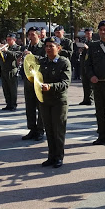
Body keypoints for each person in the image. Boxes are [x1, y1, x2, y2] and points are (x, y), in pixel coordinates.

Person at [39, 37, 72, 168]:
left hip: (59, 101)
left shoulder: (64, 62)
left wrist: (51, 86)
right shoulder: (42, 62)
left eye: (51, 46)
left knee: (58, 130)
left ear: (58, 48)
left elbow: (65, 83)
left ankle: (58, 157)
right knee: (49, 129)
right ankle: (51, 156)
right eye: (46, 46)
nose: (48, 48)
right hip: (45, 100)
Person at [22, 27, 45, 141]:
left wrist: (32, 56)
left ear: (39, 36)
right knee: (29, 107)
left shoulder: (44, 47)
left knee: (40, 107)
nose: (31, 37)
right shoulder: (26, 47)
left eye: (33, 35)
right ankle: (32, 129)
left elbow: (45, 60)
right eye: (29, 35)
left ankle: (40, 130)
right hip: (29, 80)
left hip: (39, 80)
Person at [0, 33, 22, 111]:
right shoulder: (6, 47)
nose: (7, 41)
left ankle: (13, 104)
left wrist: (7, 51)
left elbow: (16, 55)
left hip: (12, 70)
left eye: (9, 39)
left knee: (12, 89)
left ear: (14, 40)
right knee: (5, 89)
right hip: (4, 70)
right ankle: (8, 104)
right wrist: (0, 51)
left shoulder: (17, 47)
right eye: (7, 39)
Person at [77, 27, 94, 105]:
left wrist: (87, 48)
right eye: (86, 33)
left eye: (89, 33)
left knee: (91, 83)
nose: (88, 35)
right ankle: (86, 98)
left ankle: (91, 98)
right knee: (85, 82)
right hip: (83, 63)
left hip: (91, 65)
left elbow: (93, 53)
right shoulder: (84, 41)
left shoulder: (94, 42)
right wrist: (80, 50)